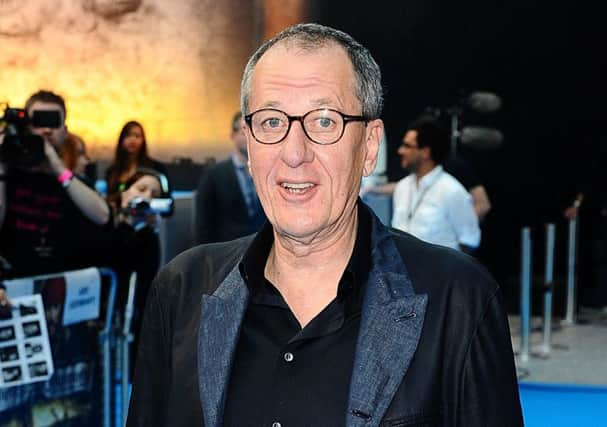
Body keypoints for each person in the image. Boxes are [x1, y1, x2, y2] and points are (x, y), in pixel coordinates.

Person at [127, 23, 522, 427]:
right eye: (271, 122)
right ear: (248, 143)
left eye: (324, 122)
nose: (294, 153)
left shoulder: (458, 301)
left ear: (369, 147)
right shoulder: (182, 291)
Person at [0, 90, 112, 278]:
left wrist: (58, 168)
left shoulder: (72, 181)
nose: (47, 130)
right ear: (26, 127)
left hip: (62, 285)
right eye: (39, 121)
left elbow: (102, 216)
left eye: (53, 122)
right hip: (13, 283)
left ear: (65, 131)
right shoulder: (8, 176)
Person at [392, 115, 481, 252]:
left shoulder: (452, 190)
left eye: (408, 146)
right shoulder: (402, 187)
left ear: (425, 152)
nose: (400, 151)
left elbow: (469, 240)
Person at [195, 111, 266, 244]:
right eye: (244, 131)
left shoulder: (268, 171)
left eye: (254, 130)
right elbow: (203, 226)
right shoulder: (214, 174)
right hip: (227, 252)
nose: (249, 136)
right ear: (232, 135)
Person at [105, 120, 168, 201]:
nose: (132, 139)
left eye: (137, 136)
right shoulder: (112, 171)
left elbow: (165, 199)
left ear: (143, 140)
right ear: (122, 140)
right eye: (128, 135)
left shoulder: (156, 168)